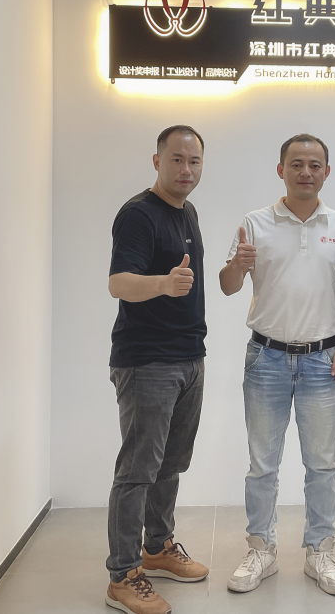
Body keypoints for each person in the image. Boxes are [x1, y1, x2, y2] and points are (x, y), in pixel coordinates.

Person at [219, 133, 335, 596]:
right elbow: (227, 285)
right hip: (267, 357)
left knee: (322, 464)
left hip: (324, 359)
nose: (305, 172)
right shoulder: (255, 222)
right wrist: (238, 266)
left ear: (326, 172)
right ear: (280, 170)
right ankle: (261, 549)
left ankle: (320, 549)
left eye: (314, 165)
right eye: (296, 164)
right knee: (262, 465)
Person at [104, 125, 210, 614]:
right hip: (147, 361)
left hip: (189, 357)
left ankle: (157, 547)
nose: (186, 169)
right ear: (157, 161)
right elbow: (119, 283)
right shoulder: (138, 214)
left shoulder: (187, 211)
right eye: (177, 159)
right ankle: (123, 575)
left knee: (170, 463)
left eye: (194, 161)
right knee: (137, 470)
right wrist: (164, 284)